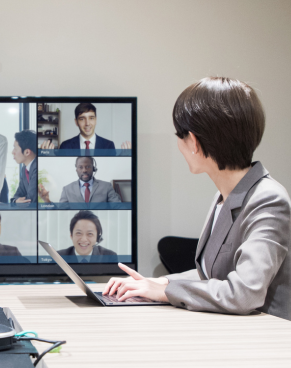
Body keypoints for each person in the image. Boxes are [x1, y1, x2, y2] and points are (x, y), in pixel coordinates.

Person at [103, 77, 291, 321]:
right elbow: (210, 276)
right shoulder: (227, 195)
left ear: (194, 142)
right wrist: (157, 282)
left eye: (180, 136)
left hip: (264, 342)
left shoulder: (268, 199)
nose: (179, 144)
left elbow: (245, 293)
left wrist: (165, 291)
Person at [40, 103, 131, 150]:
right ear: (76, 122)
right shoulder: (65, 146)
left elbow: (113, 170)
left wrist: (124, 159)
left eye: (91, 118)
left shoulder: (109, 145)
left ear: (95, 120)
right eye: (82, 119)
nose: (87, 123)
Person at [38, 156, 121, 203]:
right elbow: (60, 212)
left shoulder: (106, 186)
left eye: (88, 167)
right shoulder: (67, 189)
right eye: (80, 167)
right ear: (76, 169)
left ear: (93, 168)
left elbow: (118, 208)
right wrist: (47, 200)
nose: (84, 170)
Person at [10, 130, 37, 203]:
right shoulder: (24, 169)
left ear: (27, 152)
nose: (12, 152)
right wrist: (15, 201)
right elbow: (17, 195)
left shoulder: (37, 168)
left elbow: (31, 200)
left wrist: (17, 201)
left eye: (15, 148)